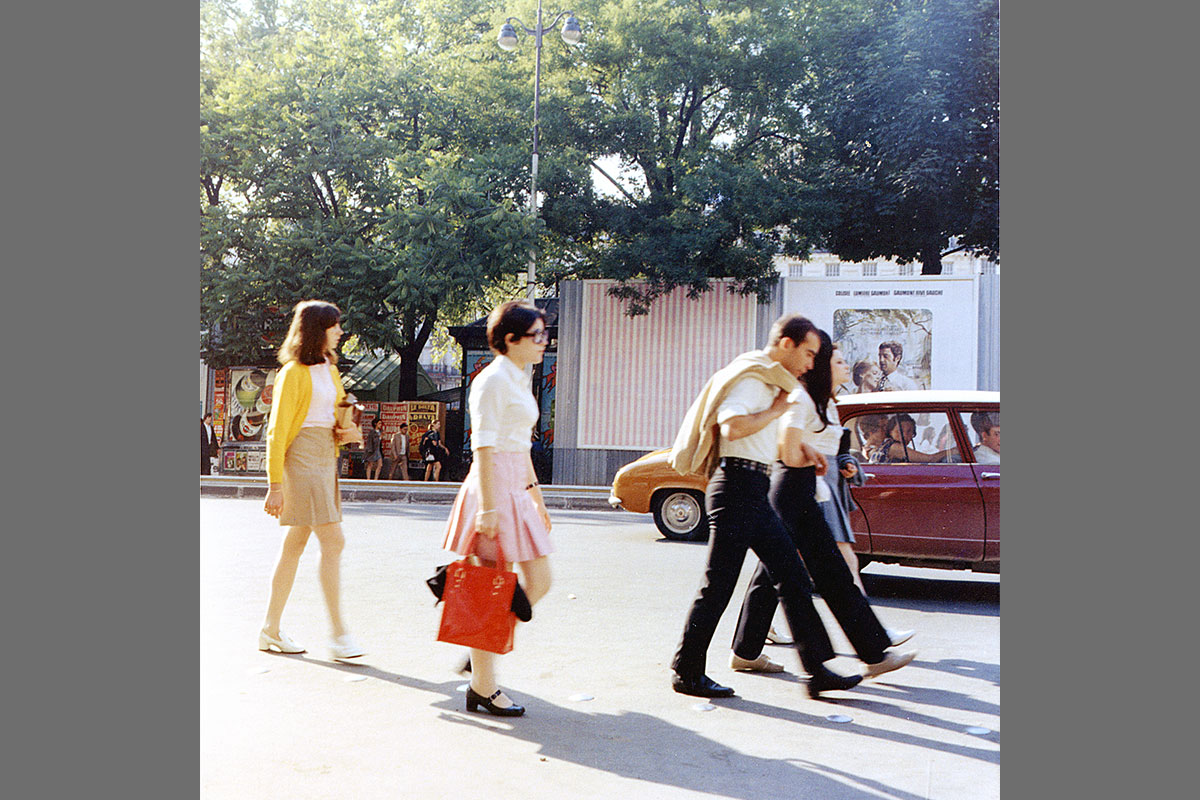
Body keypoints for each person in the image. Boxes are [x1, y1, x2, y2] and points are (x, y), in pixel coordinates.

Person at [667, 313, 863, 700]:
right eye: (807, 353)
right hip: (737, 488)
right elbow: (732, 427)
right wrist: (776, 409)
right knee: (720, 584)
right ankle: (687, 670)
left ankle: (817, 669)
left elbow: (756, 439)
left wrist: (804, 448)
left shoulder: (771, 381)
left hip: (753, 486)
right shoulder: (755, 378)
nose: (811, 363)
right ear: (785, 344)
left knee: (790, 576)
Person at [730, 330, 916, 683]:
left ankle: (746, 651)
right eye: (837, 361)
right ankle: (871, 654)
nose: (844, 366)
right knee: (828, 573)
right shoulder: (801, 399)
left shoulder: (825, 402)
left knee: (776, 575)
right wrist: (815, 458)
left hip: (805, 490)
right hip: (793, 489)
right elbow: (786, 450)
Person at [441, 300, 554, 717]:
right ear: (510, 340)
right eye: (537, 335)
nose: (544, 342)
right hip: (491, 490)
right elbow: (484, 448)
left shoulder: (519, 377)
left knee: (537, 581)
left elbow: (520, 444)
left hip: (515, 489)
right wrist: (488, 510)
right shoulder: (491, 381)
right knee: (493, 586)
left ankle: (480, 642)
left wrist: (536, 496)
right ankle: (483, 687)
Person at [259, 300, 365, 664]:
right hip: (302, 457)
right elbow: (277, 431)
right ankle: (338, 634)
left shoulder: (328, 368)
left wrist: (346, 425)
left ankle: (270, 629)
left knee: (296, 543)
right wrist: (275, 484)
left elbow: (333, 412)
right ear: (318, 329)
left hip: (323, 455)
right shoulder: (292, 372)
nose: (340, 331)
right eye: (334, 325)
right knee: (333, 539)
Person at [870, 414, 958, 464]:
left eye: (909, 431)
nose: (904, 435)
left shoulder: (887, 445)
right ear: (890, 431)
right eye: (899, 431)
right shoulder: (894, 447)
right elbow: (930, 459)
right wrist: (951, 451)